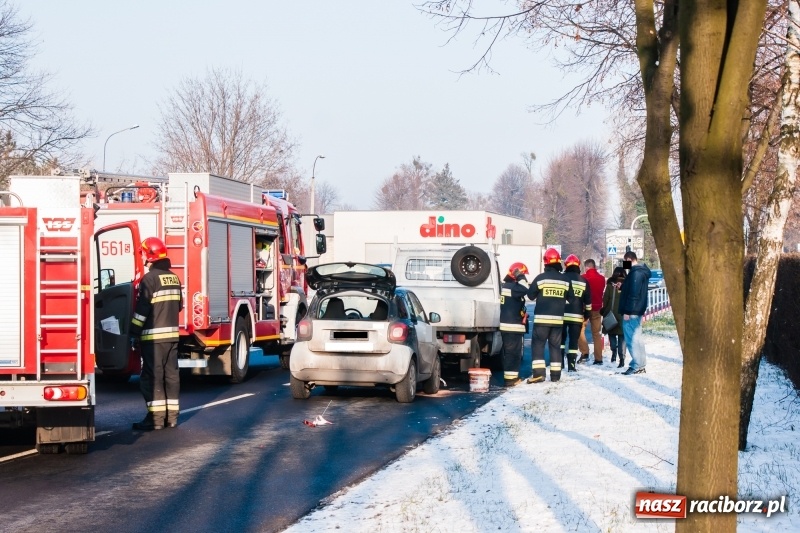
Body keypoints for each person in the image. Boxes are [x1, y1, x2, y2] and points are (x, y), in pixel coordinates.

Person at [131, 236, 183, 430]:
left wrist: (133, 332)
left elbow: (142, 311)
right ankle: (172, 418)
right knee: (171, 376)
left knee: (152, 377)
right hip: (172, 337)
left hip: (153, 339)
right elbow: (179, 306)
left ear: (149, 256)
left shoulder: (149, 279)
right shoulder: (174, 278)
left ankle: (156, 419)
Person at [526, 248, 572, 383]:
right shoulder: (565, 280)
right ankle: (555, 376)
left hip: (541, 321)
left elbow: (530, 295)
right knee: (555, 347)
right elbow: (572, 299)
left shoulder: (541, 278)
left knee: (538, 346)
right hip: (558, 321)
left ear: (545, 262)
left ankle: (539, 374)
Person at [618, 251, 651, 375]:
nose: (624, 264)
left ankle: (636, 365)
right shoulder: (640, 272)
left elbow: (634, 294)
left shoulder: (636, 273)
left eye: (624, 261)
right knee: (637, 338)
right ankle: (640, 364)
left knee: (632, 339)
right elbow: (633, 289)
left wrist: (627, 311)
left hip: (632, 311)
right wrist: (622, 286)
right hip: (638, 309)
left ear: (629, 259)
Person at [499, 262, 530, 387]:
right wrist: (520, 276)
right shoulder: (513, 287)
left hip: (509, 325)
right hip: (512, 326)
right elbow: (525, 288)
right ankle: (510, 380)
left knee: (511, 353)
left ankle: (511, 378)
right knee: (513, 354)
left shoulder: (508, 286)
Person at [561, 254, 591, 372]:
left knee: (561, 340)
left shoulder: (561, 278)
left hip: (561, 315)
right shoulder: (583, 281)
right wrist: (586, 315)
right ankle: (571, 366)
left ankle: (560, 364)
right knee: (573, 341)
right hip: (577, 316)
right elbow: (588, 302)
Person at [579, 258, 606, 364]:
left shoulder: (583, 278)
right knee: (596, 334)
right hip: (597, 308)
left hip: (584, 309)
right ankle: (598, 358)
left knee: (580, 331)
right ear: (594, 266)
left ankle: (585, 352)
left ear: (586, 267)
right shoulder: (602, 279)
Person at [601, 267, 626, 368]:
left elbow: (605, 299)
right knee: (622, 337)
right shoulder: (627, 285)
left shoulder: (610, 286)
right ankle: (622, 358)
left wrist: (603, 311)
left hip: (611, 314)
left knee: (611, 334)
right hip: (623, 315)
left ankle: (613, 353)